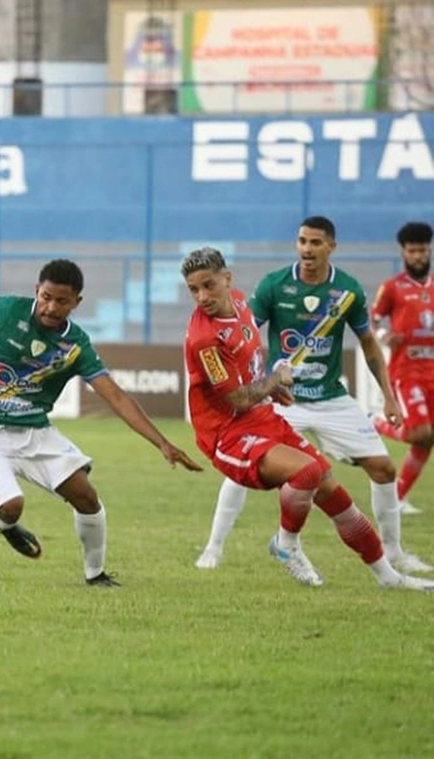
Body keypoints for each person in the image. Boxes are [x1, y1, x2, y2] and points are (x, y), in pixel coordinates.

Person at [0, 258, 202, 586]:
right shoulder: (3, 311)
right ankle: (1, 517)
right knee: (12, 507)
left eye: (62, 301)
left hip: (34, 432)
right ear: (36, 291)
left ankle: (95, 575)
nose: (51, 307)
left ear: (77, 302)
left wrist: (163, 443)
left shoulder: (75, 346)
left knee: (87, 497)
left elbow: (117, 398)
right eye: (46, 297)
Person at [181, 245, 432, 591]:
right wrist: (273, 381)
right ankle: (285, 544)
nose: (201, 296)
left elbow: (249, 368)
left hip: (263, 417)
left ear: (227, 279)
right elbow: (236, 399)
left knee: (333, 491)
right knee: (307, 472)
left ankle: (389, 577)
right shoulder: (204, 339)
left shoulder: (240, 304)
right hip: (227, 434)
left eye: (208, 285)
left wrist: (270, 386)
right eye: (193, 290)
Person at [371, 221, 434, 516]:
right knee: (420, 433)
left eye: (423, 250)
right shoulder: (393, 288)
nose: (419, 256)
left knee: (427, 439)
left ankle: (396, 497)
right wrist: (385, 336)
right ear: (404, 252)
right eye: (413, 250)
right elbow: (371, 320)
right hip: (406, 373)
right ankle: (374, 423)